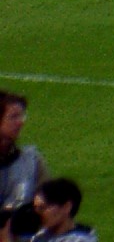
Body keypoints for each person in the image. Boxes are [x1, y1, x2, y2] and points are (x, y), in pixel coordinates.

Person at [0, 94, 45, 238]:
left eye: (22, 116)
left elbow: (49, 202)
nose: (21, 122)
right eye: (13, 117)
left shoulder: (31, 160)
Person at [29, 178, 95, 242]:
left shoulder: (81, 239)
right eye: (35, 208)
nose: (37, 212)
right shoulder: (40, 236)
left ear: (67, 207)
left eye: (42, 208)